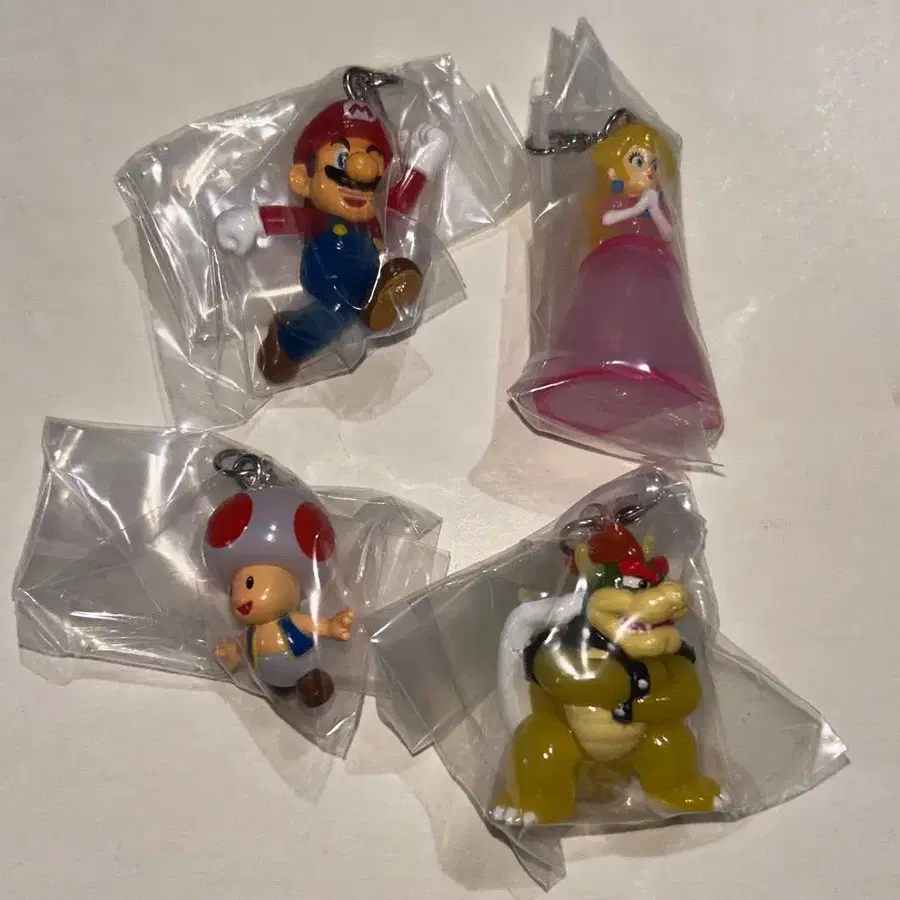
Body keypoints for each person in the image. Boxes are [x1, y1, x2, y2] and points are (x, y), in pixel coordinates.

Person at [215, 98, 450, 383]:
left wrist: (423, 162)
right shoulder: (320, 218)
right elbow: (291, 218)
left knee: (344, 312)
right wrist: (253, 220)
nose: (362, 170)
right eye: (342, 160)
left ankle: (372, 299)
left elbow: (399, 203)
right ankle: (287, 339)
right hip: (327, 278)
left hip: (367, 276)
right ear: (303, 180)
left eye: (374, 164)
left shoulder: (373, 218)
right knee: (337, 313)